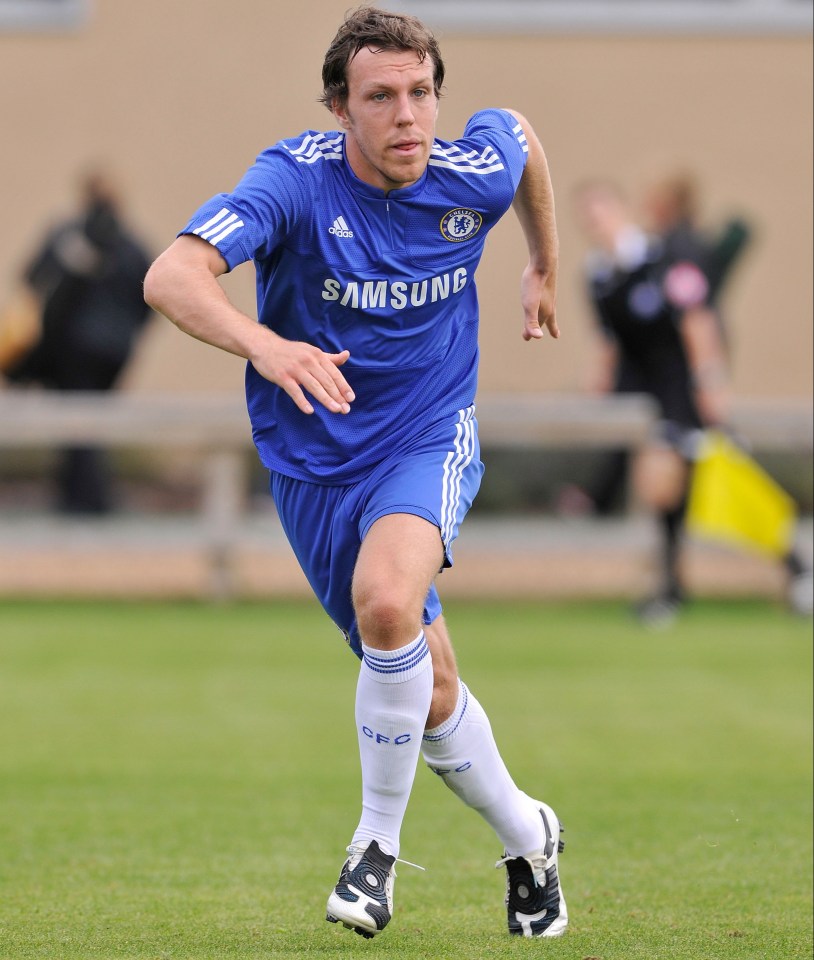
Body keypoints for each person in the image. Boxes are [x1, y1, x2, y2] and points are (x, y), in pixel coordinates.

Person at [144, 5, 566, 941]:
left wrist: (543, 261)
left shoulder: (471, 172)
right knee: (430, 687)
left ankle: (374, 849)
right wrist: (266, 346)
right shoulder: (293, 180)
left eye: (421, 94)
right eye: (381, 97)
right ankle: (530, 837)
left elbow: (522, 138)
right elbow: (172, 276)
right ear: (342, 107)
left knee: (387, 603)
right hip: (313, 461)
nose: (408, 116)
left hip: (427, 433)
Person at [572, 179, 810, 624]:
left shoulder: (664, 257)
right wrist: (599, 382)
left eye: (602, 212)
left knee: (710, 481)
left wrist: (710, 381)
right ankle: (671, 588)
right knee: (668, 487)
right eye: (587, 217)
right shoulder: (598, 274)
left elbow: (697, 321)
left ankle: (794, 567)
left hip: (683, 389)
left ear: (622, 211)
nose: (596, 223)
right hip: (646, 398)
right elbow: (607, 337)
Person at [4, 169, 153, 513]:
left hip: (72, 348)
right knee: (92, 420)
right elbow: (152, 296)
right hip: (115, 351)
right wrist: (127, 333)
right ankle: (81, 495)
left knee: (77, 421)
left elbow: (31, 276)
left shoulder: (66, 235)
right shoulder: (131, 246)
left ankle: (85, 500)